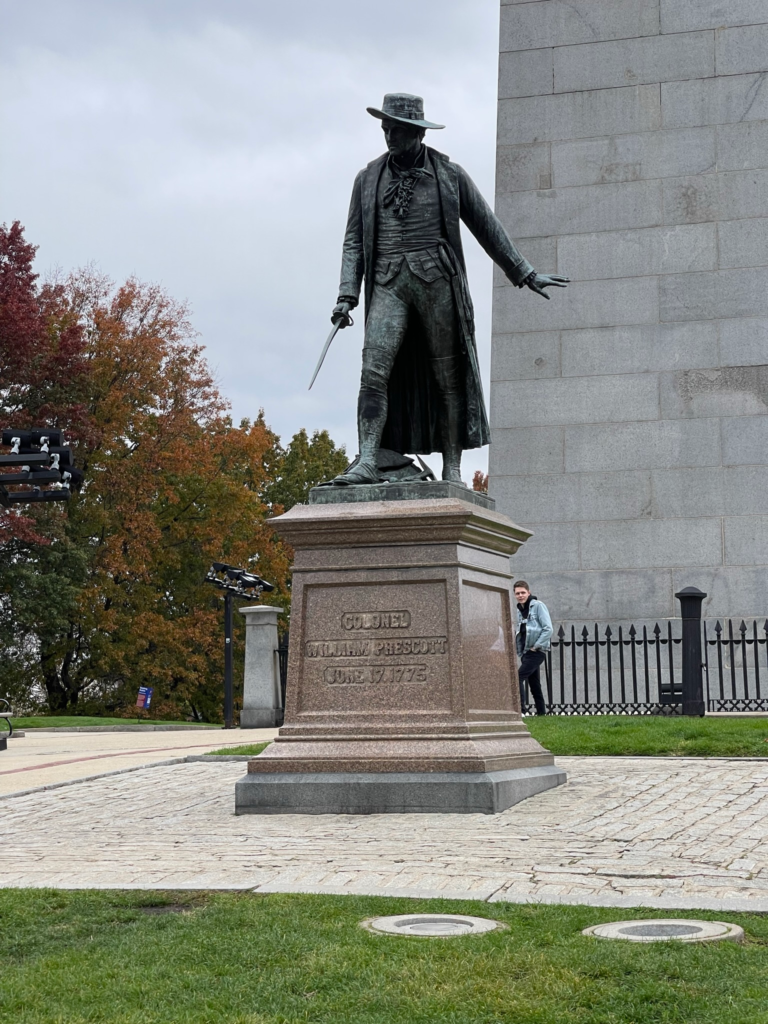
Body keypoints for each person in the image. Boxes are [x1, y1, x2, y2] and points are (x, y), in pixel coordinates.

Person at [328, 93, 568, 485]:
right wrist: (345, 296)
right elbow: (353, 240)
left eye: (397, 129)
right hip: (388, 282)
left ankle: (452, 467)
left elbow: (486, 225)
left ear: (417, 133)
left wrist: (524, 272)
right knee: (373, 370)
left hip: (437, 282)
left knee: (448, 375)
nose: (389, 135)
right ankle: (368, 459)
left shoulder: (449, 175)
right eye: (386, 128)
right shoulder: (367, 178)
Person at [513, 580, 552, 716]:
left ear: (528, 592)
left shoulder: (538, 606)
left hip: (536, 651)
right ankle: (542, 713)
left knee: (517, 678)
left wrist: (536, 647)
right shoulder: (520, 609)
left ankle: (521, 711)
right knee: (534, 683)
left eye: (523, 592)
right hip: (525, 652)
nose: (520, 595)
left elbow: (548, 629)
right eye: (517, 593)